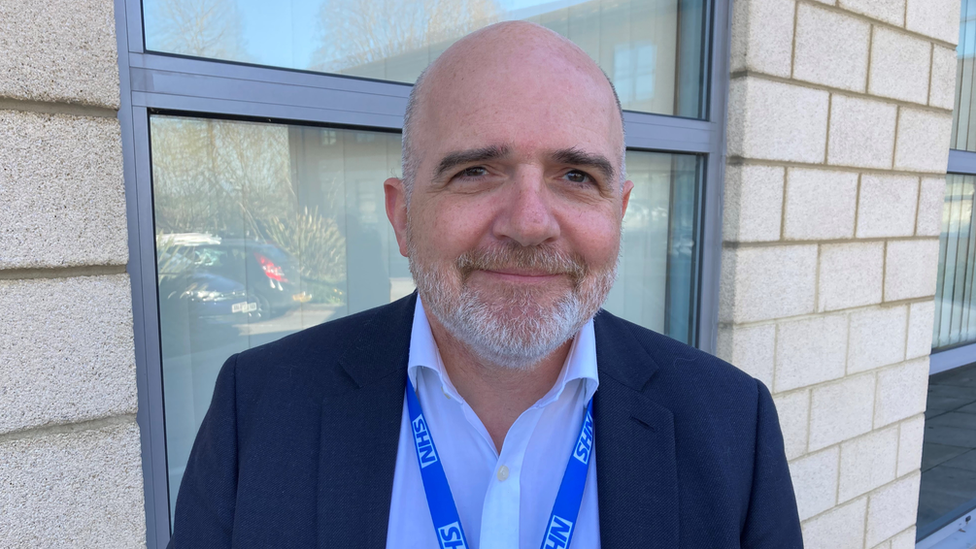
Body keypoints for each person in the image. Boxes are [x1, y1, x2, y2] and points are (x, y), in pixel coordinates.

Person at [168, 21, 802, 549]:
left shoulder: (732, 429)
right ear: (401, 217)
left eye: (577, 176)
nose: (529, 224)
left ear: (620, 211)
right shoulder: (256, 411)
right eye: (475, 170)